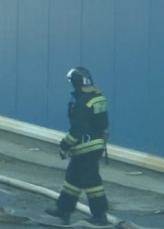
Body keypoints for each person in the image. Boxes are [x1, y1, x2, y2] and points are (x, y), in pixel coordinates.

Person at [45, 66, 111, 227]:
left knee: (91, 181)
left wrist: (64, 145)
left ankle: (100, 215)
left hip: (86, 147)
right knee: (72, 179)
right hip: (95, 145)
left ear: (76, 83)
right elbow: (102, 123)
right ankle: (64, 210)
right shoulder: (98, 97)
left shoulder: (82, 102)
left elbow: (77, 130)